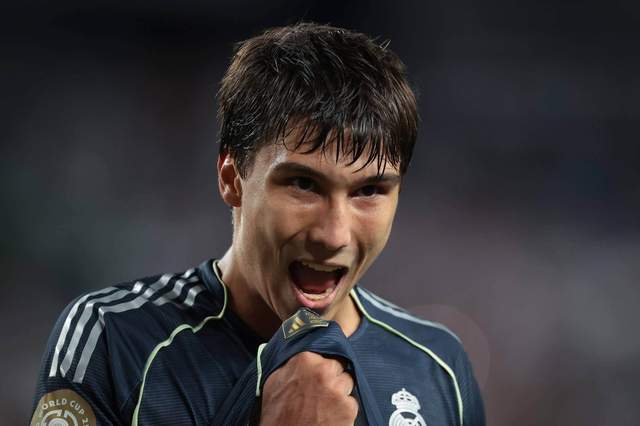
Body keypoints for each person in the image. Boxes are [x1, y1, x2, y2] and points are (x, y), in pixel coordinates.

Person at [31, 22, 485, 425]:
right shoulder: (113, 340)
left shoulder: (438, 367)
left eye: (369, 191)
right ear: (232, 179)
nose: (333, 235)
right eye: (304, 185)